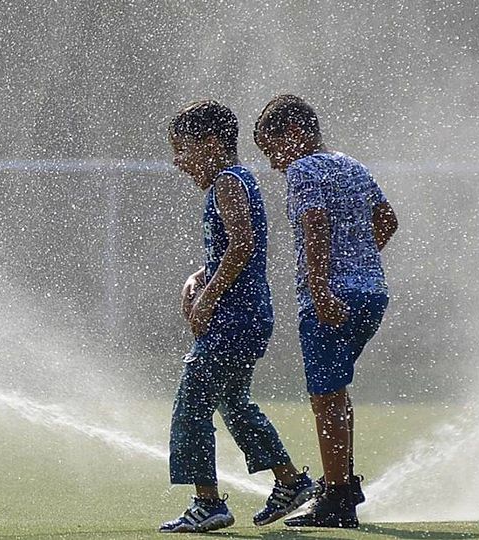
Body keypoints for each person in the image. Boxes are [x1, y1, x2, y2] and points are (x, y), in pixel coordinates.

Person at [159, 100, 319, 533]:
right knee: (234, 403)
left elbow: (243, 244)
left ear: (211, 144)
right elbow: (234, 248)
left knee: (192, 406)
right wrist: (199, 277)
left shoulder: (228, 182)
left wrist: (207, 298)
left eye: (183, 150)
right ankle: (291, 482)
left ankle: (208, 503)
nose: (178, 162)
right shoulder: (236, 181)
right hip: (247, 317)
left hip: (233, 319)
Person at [253, 94, 398, 528]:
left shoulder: (304, 169)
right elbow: (387, 219)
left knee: (325, 397)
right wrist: (360, 262)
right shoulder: (352, 165)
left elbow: (314, 222)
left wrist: (321, 287)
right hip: (371, 293)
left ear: (295, 134)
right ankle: (342, 484)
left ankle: (336, 498)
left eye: (273, 150)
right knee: (335, 391)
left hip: (330, 297)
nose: (275, 164)